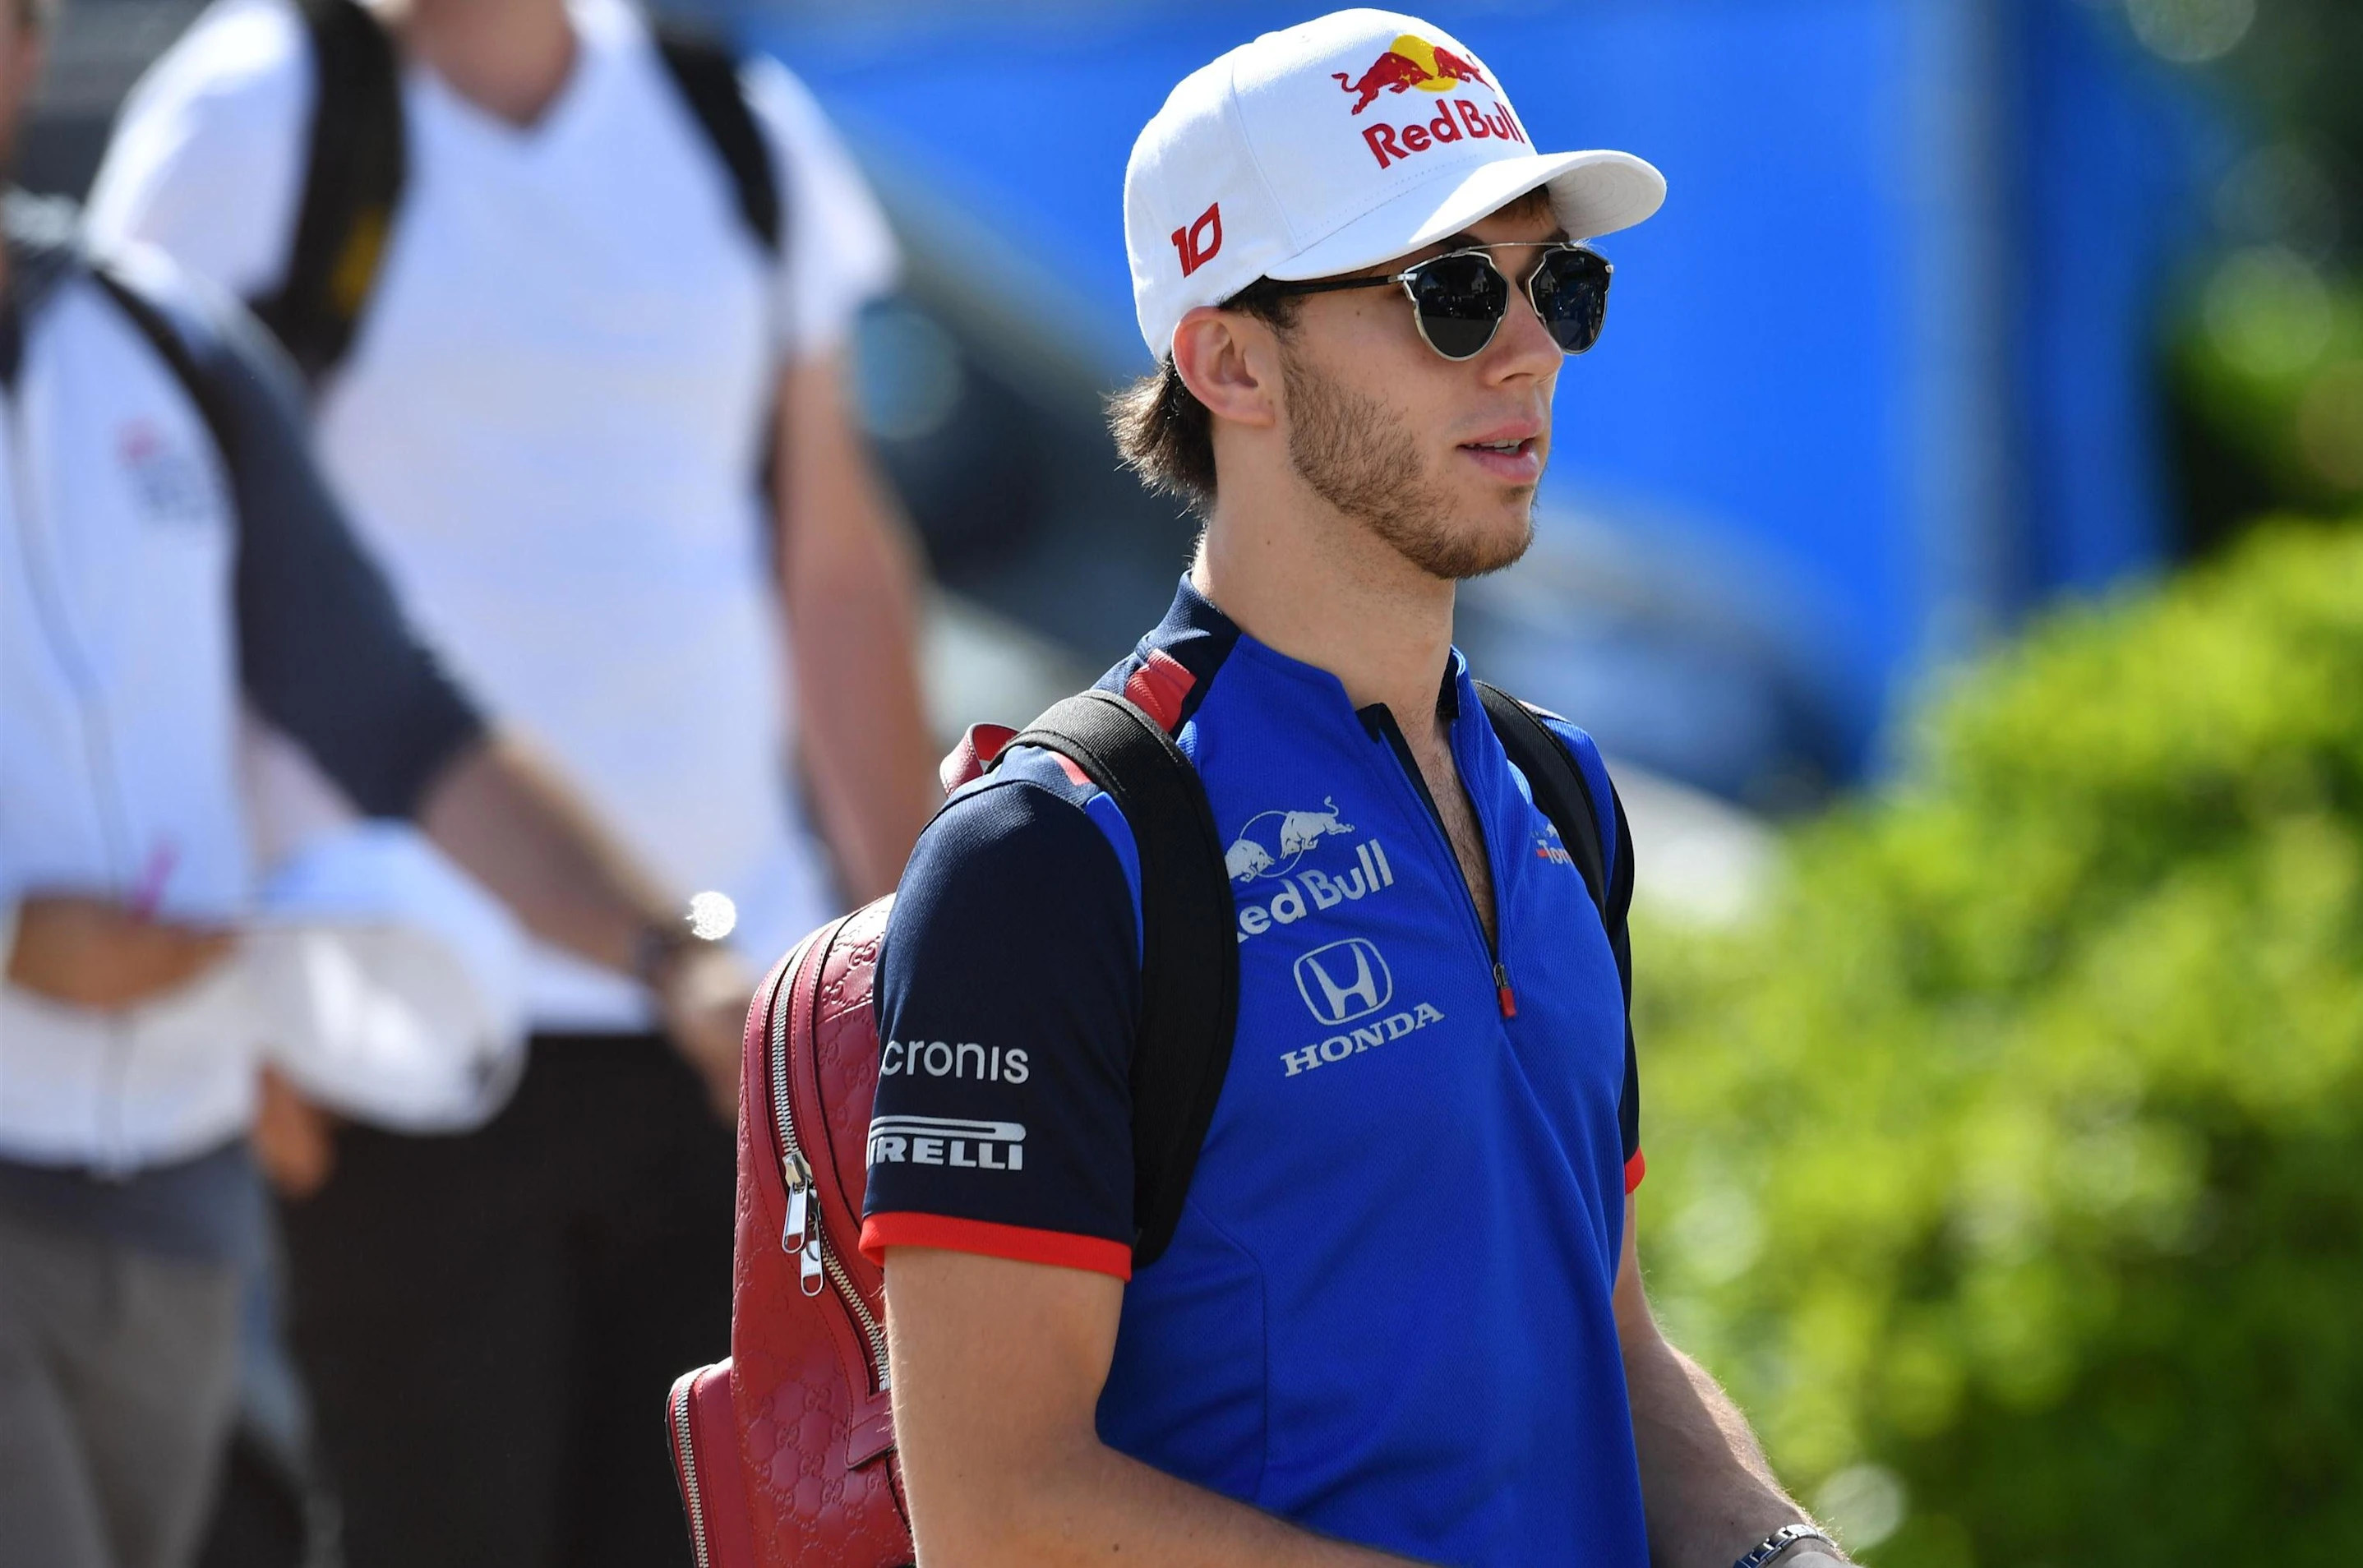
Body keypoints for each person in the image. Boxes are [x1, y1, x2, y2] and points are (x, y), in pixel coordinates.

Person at [858, 11, 1849, 1566]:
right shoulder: (1052, 855)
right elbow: (997, 1511)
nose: (1527, 350)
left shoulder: (1560, 792)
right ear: (1230, 359)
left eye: (1558, 286)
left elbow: (1616, 1349)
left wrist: (1784, 1552)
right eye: (1450, 295)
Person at [84, 0, 938, 1561]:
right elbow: (141, 571)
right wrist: (233, 1009)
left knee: (726, 1534)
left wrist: (900, 968)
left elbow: (837, 576)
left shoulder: (728, 121)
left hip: (726, 1022)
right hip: (395, 1034)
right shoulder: (249, 115)